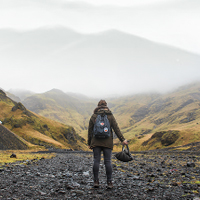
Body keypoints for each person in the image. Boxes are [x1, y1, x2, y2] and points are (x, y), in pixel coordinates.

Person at [88, 100, 128, 189]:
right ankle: (109, 182)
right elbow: (116, 129)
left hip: (96, 142)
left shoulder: (94, 116)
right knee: (107, 161)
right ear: (106, 106)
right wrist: (122, 140)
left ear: (98, 106)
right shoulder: (110, 116)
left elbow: (90, 131)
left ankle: (96, 181)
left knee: (96, 160)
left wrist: (89, 143)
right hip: (108, 142)